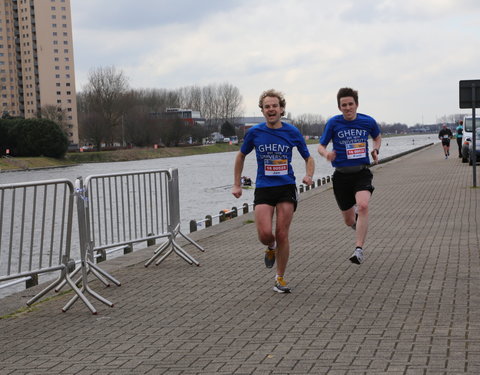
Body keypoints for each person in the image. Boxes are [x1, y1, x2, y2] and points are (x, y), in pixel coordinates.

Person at [232, 89, 314, 293]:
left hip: (286, 187)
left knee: (282, 233)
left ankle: (280, 278)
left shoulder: (292, 132)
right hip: (264, 188)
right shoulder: (255, 132)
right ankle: (270, 247)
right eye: (267, 106)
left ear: (282, 109)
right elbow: (240, 156)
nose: (271, 109)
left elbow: (308, 157)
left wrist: (309, 175)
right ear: (263, 110)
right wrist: (237, 184)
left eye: (274, 106)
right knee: (265, 234)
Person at [317, 87, 381, 265]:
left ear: (357, 104)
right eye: (343, 105)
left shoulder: (368, 121)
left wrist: (376, 150)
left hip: (361, 172)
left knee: (362, 205)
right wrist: (327, 154)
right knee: (348, 220)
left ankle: (358, 249)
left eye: (350, 104)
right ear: (339, 107)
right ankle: (356, 224)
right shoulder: (333, 123)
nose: (347, 108)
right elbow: (320, 146)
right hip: (341, 177)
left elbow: (377, 137)